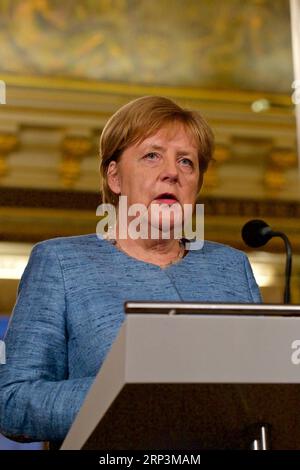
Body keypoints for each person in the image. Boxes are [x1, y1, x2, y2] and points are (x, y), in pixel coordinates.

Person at [0, 96, 262, 445]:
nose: (172, 171)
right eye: (152, 155)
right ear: (115, 177)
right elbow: (13, 402)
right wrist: (129, 394)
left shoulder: (232, 268)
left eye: (187, 161)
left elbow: (264, 393)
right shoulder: (61, 263)